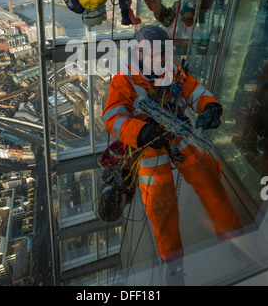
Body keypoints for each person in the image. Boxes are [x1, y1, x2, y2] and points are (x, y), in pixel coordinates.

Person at [102, 25, 240, 262]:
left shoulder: (173, 72)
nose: (159, 59)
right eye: (153, 53)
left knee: (207, 177)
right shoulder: (124, 79)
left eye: (162, 53)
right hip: (147, 148)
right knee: (161, 205)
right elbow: (113, 118)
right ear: (139, 53)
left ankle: (233, 235)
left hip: (176, 133)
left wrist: (210, 107)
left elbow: (196, 91)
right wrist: (142, 132)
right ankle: (173, 260)